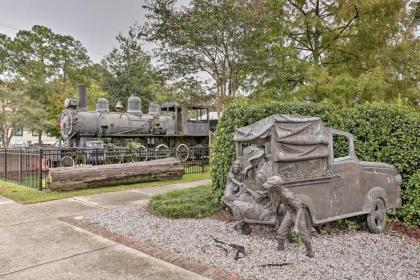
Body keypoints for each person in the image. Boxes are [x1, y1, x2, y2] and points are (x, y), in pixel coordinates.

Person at [263, 176, 314, 258]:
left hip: (298, 214)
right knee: (281, 232)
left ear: (275, 187)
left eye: (270, 187)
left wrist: (296, 227)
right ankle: (280, 249)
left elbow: (300, 209)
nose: (268, 189)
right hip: (290, 212)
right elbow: (280, 200)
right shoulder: (278, 192)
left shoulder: (287, 195)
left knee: (304, 235)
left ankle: (310, 252)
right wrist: (275, 211)